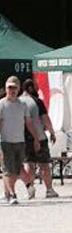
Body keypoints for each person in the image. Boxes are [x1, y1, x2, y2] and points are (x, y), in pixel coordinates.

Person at [0, 76, 45, 205]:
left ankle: (26, 186)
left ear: (19, 88)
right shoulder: (2, 104)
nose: (12, 90)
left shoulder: (22, 105)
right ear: (6, 88)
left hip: (20, 141)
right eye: (10, 88)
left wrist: (36, 138)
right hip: (5, 141)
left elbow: (29, 123)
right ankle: (12, 194)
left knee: (18, 169)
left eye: (14, 87)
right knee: (8, 169)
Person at [20, 78, 58, 199]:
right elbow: (45, 119)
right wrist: (52, 132)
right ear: (31, 88)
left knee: (28, 164)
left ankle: (30, 190)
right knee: (44, 164)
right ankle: (49, 190)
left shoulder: (18, 102)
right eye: (36, 87)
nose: (38, 89)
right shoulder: (37, 101)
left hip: (23, 138)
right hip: (40, 137)